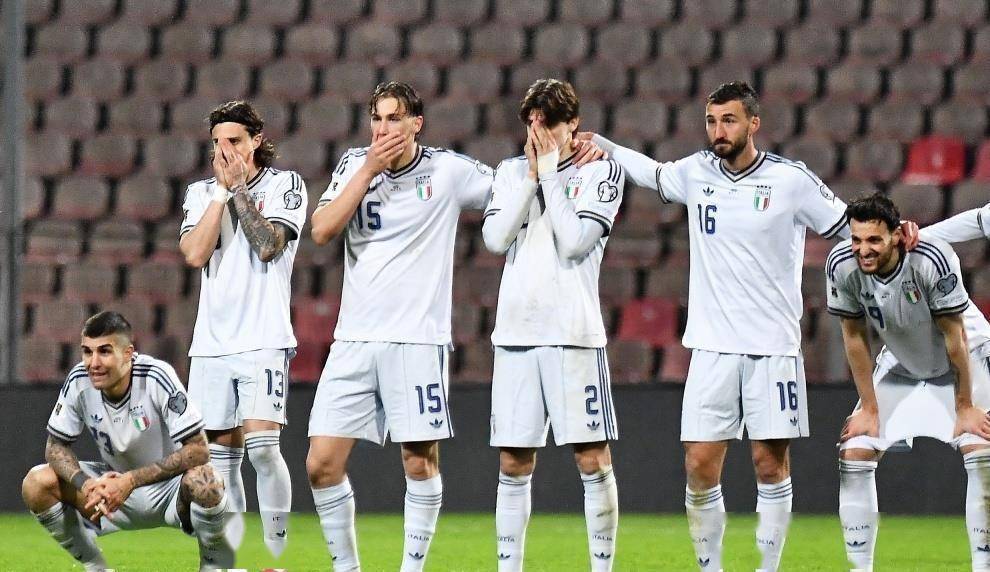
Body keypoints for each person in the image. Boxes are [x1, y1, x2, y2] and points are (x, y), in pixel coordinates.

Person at [576, 81, 853, 572]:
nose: (718, 131)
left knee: (770, 463)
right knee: (699, 465)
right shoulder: (697, 171)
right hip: (710, 348)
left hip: (773, 347)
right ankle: (711, 567)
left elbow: (848, 227)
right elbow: (652, 173)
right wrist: (605, 145)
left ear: (753, 123)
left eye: (728, 120)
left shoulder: (791, 180)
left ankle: (768, 568)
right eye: (711, 121)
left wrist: (898, 232)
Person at [305, 81, 495, 572]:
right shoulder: (354, 164)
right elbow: (322, 230)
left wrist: (554, 163)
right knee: (320, 464)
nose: (383, 128)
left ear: (416, 124)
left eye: (394, 118)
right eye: (377, 118)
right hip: (353, 339)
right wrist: (368, 170)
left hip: (416, 340)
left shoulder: (447, 171)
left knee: (418, 460)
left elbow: (508, 189)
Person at [482, 79, 622, 571]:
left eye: (550, 124)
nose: (538, 134)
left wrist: (550, 175)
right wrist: (530, 177)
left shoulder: (600, 171)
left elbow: (575, 241)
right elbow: (496, 239)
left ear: (573, 125)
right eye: (532, 124)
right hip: (515, 334)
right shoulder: (508, 172)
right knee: (513, 462)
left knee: (592, 458)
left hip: (572, 334)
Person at [826, 193, 990, 572]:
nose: (863, 250)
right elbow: (854, 336)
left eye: (874, 240)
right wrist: (869, 408)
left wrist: (965, 407)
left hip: (966, 358)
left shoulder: (931, 259)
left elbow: (956, 338)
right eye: (856, 240)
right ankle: (859, 568)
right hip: (903, 363)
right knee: (855, 450)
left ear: (896, 236)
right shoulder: (841, 264)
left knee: (982, 453)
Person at [179, 100, 306, 556]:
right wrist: (220, 193)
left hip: (263, 339)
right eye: (217, 142)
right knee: (219, 458)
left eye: (234, 140)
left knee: (264, 449)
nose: (224, 150)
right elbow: (195, 254)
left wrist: (237, 189)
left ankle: (276, 555)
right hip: (211, 345)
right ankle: (229, 557)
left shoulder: (286, 185)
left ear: (256, 141)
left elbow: (269, 245)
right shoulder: (199, 193)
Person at [21, 311, 233, 571]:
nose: (93, 363)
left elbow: (199, 450)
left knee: (207, 481)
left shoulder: (156, 376)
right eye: (87, 352)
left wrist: (130, 481)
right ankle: (96, 566)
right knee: (36, 482)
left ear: (127, 353)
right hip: (109, 493)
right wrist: (85, 483)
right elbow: (55, 447)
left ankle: (212, 566)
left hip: (169, 492)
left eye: (104, 351)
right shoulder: (78, 380)